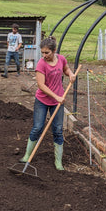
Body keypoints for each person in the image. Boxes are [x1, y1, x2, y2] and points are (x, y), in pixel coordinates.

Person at [19, 36, 76, 171]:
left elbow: (66, 69)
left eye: (47, 53)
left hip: (57, 102)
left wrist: (71, 74)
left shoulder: (61, 59)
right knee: (38, 127)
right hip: (43, 101)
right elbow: (41, 85)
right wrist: (57, 97)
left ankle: (58, 162)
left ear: (54, 50)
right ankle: (27, 155)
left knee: (57, 130)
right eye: (42, 53)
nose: (44, 55)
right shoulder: (41, 64)